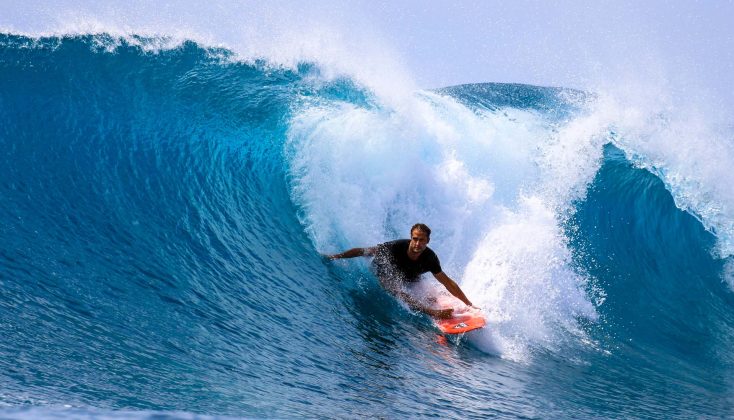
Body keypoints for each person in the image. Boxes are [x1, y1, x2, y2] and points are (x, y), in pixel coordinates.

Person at [324, 223, 475, 319]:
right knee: (396, 290)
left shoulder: (430, 258)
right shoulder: (395, 247)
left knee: (428, 294)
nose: (417, 243)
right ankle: (433, 312)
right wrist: (336, 256)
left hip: (409, 275)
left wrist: (468, 303)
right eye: (415, 239)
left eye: (422, 240)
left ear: (428, 241)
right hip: (385, 272)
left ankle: (437, 301)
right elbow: (365, 251)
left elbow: (447, 282)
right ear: (411, 238)